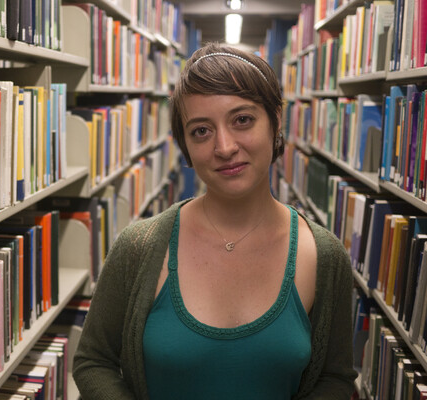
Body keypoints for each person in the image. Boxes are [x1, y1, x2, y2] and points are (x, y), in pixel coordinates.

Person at [73, 42, 357, 399]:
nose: (224, 147)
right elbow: (92, 361)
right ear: (186, 146)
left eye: (242, 120)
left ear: (276, 121)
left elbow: (335, 378)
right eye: (201, 131)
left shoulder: (324, 257)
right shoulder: (138, 247)